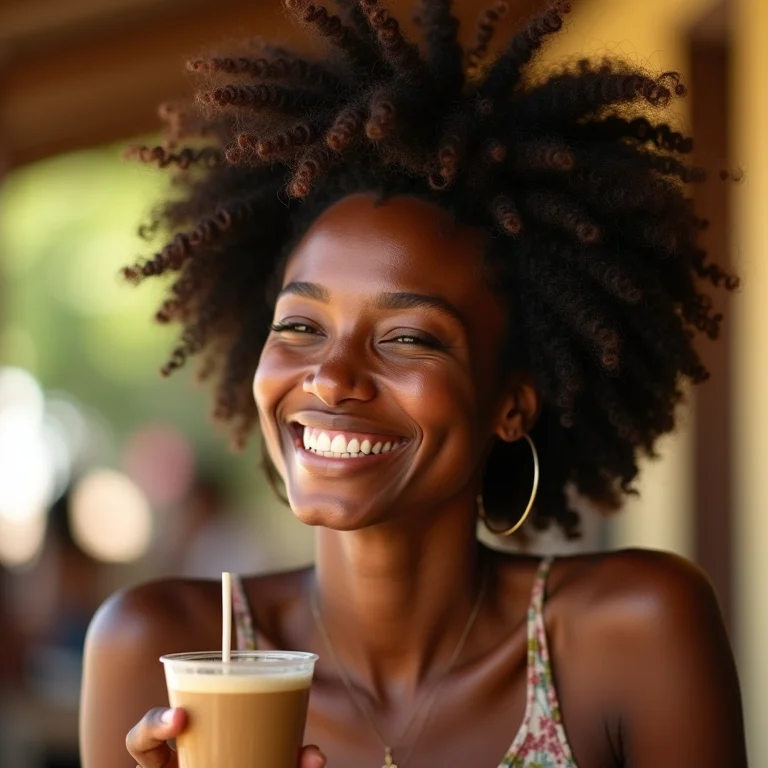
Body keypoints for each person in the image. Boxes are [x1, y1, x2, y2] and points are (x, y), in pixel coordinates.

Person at [79, 1, 748, 766]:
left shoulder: (633, 632)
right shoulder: (164, 649)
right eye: (299, 327)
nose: (330, 376)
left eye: (408, 338)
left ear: (511, 404)